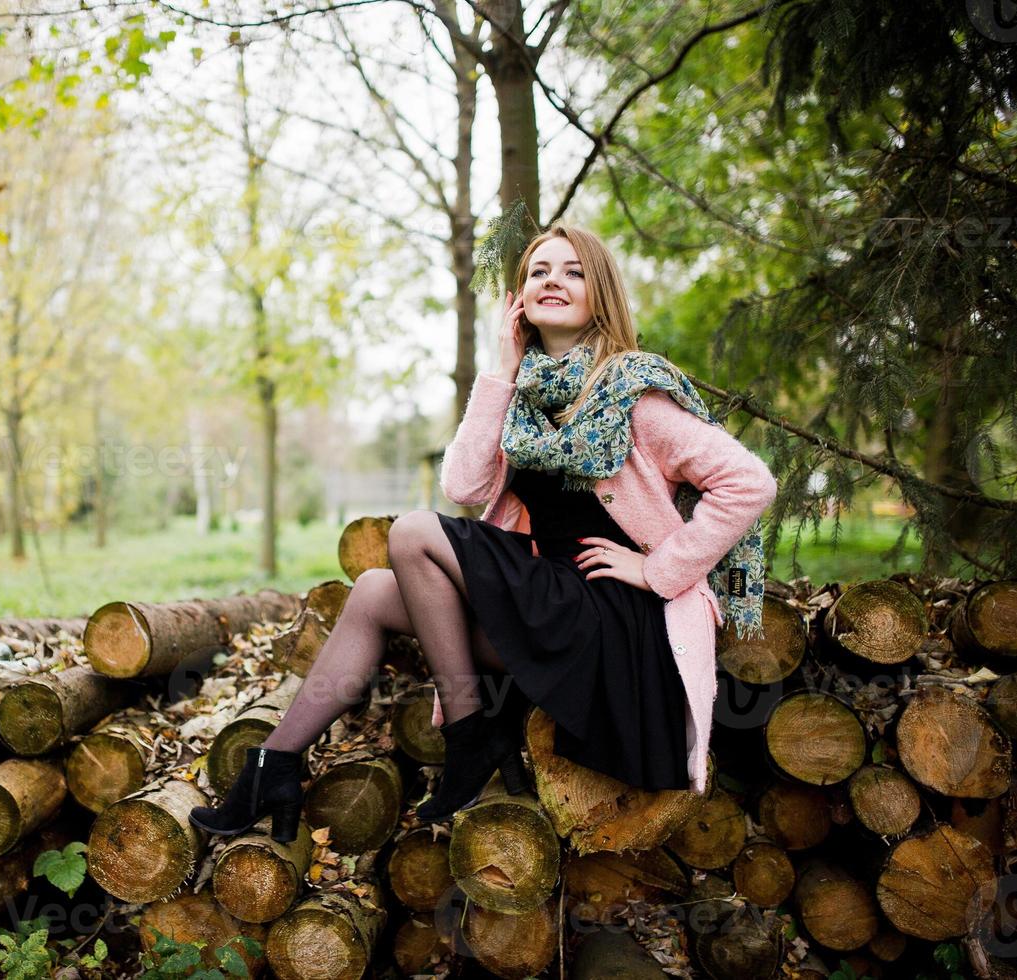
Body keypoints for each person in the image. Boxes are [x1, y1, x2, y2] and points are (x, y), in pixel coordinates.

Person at [189, 224, 777, 844]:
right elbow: (466, 487)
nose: (553, 280)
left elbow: (749, 483)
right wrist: (501, 370)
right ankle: (273, 767)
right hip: (552, 600)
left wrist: (656, 570)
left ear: (600, 293)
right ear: (519, 298)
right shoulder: (521, 402)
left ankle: (469, 731)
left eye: (573, 271)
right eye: (539, 271)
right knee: (370, 593)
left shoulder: (635, 396)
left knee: (413, 532)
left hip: (617, 623)